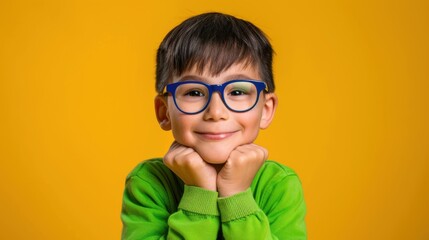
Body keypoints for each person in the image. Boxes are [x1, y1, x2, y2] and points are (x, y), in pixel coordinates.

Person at [121, 12, 307, 239]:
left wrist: (237, 198)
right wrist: (199, 195)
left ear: (266, 110)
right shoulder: (149, 183)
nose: (216, 112)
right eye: (194, 92)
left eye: (237, 91)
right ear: (164, 112)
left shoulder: (278, 186)